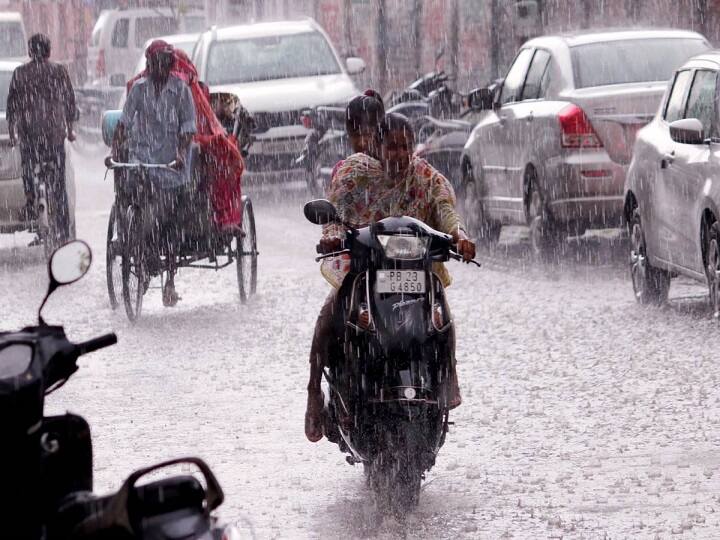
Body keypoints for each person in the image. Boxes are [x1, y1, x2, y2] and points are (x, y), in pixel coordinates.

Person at [305, 112, 476, 442]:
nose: (398, 154)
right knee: (329, 317)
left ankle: (447, 378)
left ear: (413, 148)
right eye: (391, 146)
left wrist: (460, 236)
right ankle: (314, 395)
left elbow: (447, 214)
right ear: (377, 147)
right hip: (364, 270)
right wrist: (332, 233)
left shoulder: (428, 178)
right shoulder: (355, 175)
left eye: (404, 147)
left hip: (418, 272)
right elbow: (336, 213)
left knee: (443, 320)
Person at [111, 40, 197, 307]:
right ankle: (139, 249)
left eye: (166, 63)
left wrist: (181, 155)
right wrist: (115, 150)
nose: (162, 68)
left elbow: (188, 129)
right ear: (150, 64)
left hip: (171, 166)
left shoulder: (181, 91)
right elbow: (124, 124)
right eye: (158, 63)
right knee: (138, 204)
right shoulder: (138, 90)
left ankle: (169, 281)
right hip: (143, 162)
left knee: (170, 223)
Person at [7, 33, 76, 244]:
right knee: (58, 188)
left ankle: (30, 204)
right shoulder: (59, 72)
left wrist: (13, 134)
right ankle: (63, 231)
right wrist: (70, 129)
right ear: (49, 51)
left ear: (30, 51)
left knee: (29, 173)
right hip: (54, 137)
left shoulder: (20, 74)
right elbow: (69, 103)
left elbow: (12, 108)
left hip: (30, 138)